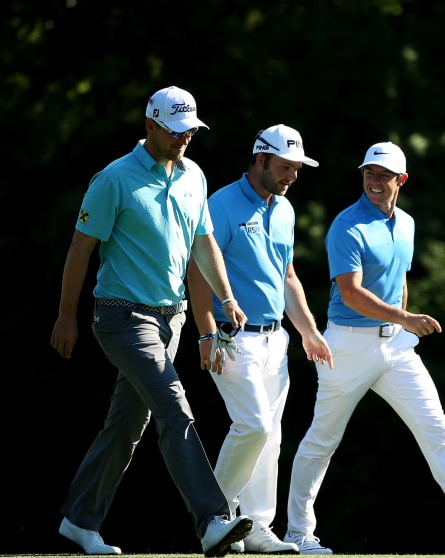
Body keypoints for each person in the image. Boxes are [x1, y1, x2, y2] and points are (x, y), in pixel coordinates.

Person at [282, 141, 445, 555]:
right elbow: (352, 293)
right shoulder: (347, 225)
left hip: (395, 346)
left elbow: (399, 281)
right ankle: (298, 534)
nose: (375, 182)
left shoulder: (407, 224)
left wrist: (402, 322)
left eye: (384, 176)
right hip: (347, 345)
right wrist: (406, 319)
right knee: (322, 439)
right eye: (369, 174)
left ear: (402, 180)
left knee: (436, 429)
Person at [50, 85, 255, 557]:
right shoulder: (114, 179)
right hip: (121, 317)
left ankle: (79, 522)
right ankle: (212, 520)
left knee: (126, 424)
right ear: (150, 126)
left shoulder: (193, 176)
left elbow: (203, 243)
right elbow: (81, 250)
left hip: (172, 319)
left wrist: (225, 299)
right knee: (173, 406)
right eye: (177, 131)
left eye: (191, 132)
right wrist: (66, 317)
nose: (185, 139)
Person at [186, 124, 335, 554]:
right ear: (260, 159)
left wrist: (308, 331)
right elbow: (197, 272)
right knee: (254, 425)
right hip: (231, 337)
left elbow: (287, 277)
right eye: (284, 166)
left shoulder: (285, 210)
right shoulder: (222, 204)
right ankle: (214, 514)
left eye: (296, 169)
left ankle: (255, 527)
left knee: (271, 439)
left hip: (276, 340)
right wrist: (206, 333)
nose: (290, 175)